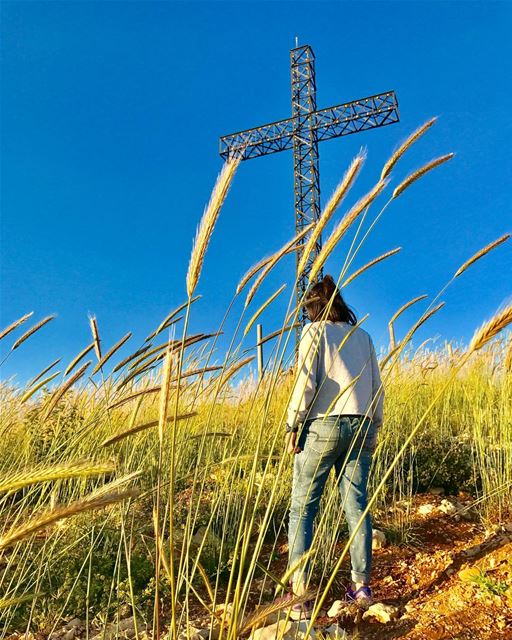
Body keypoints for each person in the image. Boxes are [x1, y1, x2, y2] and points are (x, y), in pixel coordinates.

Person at [282, 274, 384, 619]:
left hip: (323, 423)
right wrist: (374, 425)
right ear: (341, 304)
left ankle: (301, 597)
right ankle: (362, 587)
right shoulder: (364, 337)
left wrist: (292, 423)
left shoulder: (314, 332)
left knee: (302, 509)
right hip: (362, 423)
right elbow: (376, 386)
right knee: (356, 506)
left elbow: (306, 382)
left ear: (312, 307)